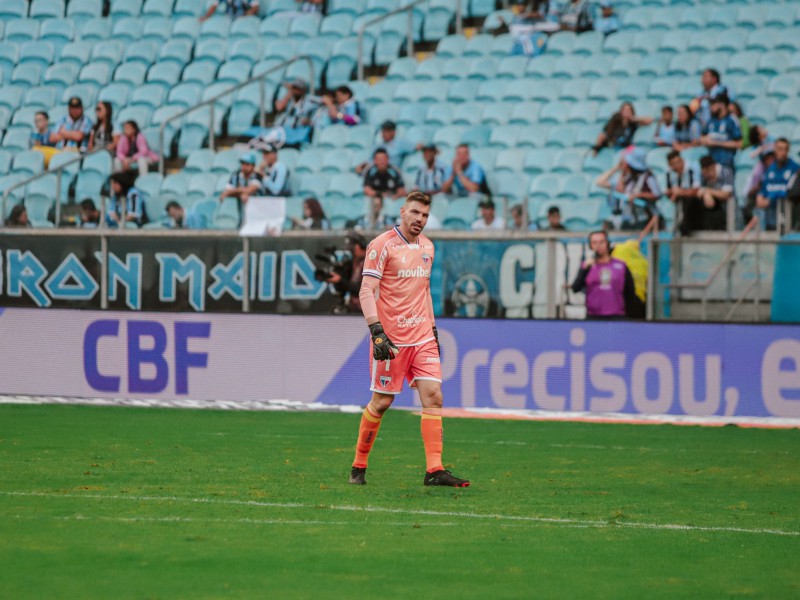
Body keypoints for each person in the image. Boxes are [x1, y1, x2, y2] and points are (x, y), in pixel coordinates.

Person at [350, 191, 469, 488]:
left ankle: (434, 470)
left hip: (422, 337)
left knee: (434, 397)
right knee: (382, 402)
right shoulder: (382, 245)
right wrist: (376, 330)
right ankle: (359, 465)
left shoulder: (428, 246)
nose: (420, 220)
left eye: (425, 215)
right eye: (415, 213)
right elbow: (366, 290)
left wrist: (433, 328)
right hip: (391, 340)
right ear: (403, 212)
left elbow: (425, 291)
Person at [571, 230, 641, 319]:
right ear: (591, 246)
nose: (598, 245)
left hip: (617, 316)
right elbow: (575, 288)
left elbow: (630, 293)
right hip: (593, 316)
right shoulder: (587, 266)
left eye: (601, 242)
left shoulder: (621, 266)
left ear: (607, 243)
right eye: (594, 242)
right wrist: (584, 269)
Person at [595, 147, 662, 230]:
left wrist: (639, 195)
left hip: (645, 220)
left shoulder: (648, 177)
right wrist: (618, 168)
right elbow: (600, 182)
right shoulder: (627, 178)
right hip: (630, 219)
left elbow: (657, 195)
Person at [756, 138, 799, 231]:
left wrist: (772, 197)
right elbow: (764, 188)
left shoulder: (795, 168)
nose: (782, 152)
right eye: (779, 149)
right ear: (775, 150)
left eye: (785, 149)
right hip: (770, 217)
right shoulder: (770, 168)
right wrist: (760, 196)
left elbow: (792, 192)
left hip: (787, 216)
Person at [325, 230, 366, 313]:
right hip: (354, 307)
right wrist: (337, 279)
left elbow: (362, 289)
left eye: (351, 249)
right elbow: (343, 288)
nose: (350, 252)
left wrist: (340, 280)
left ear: (358, 247)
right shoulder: (352, 263)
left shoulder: (370, 262)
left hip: (368, 310)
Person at [700, 92, 741, 174]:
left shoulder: (731, 120)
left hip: (727, 164)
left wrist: (716, 143)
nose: (710, 107)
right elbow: (702, 137)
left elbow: (739, 143)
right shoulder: (711, 121)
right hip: (712, 166)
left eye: (713, 104)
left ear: (721, 104)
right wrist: (705, 140)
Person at [692, 155, 734, 232]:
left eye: (708, 172)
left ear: (713, 167)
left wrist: (708, 191)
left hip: (728, 207)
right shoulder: (702, 175)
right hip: (712, 208)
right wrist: (706, 193)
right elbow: (697, 191)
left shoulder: (725, 172)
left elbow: (726, 194)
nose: (707, 176)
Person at [664, 150, 702, 235]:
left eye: (678, 162)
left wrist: (680, 192)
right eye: (673, 164)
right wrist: (674, 192)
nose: (677, 166)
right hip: (677, 198)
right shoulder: (669, 173)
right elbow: (668, 190)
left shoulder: (693, 168)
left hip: (693, 200)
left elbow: (696, 190)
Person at [273, 78, 319, 146]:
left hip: (297, 131)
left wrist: (310, 121)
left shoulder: (309, 99)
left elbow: (325, 100)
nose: (295, 91)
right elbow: (279, 107)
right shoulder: (289, 98)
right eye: (294, 88)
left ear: (303, 90)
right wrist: (290, 92)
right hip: (283, 130)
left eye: (298, 89)